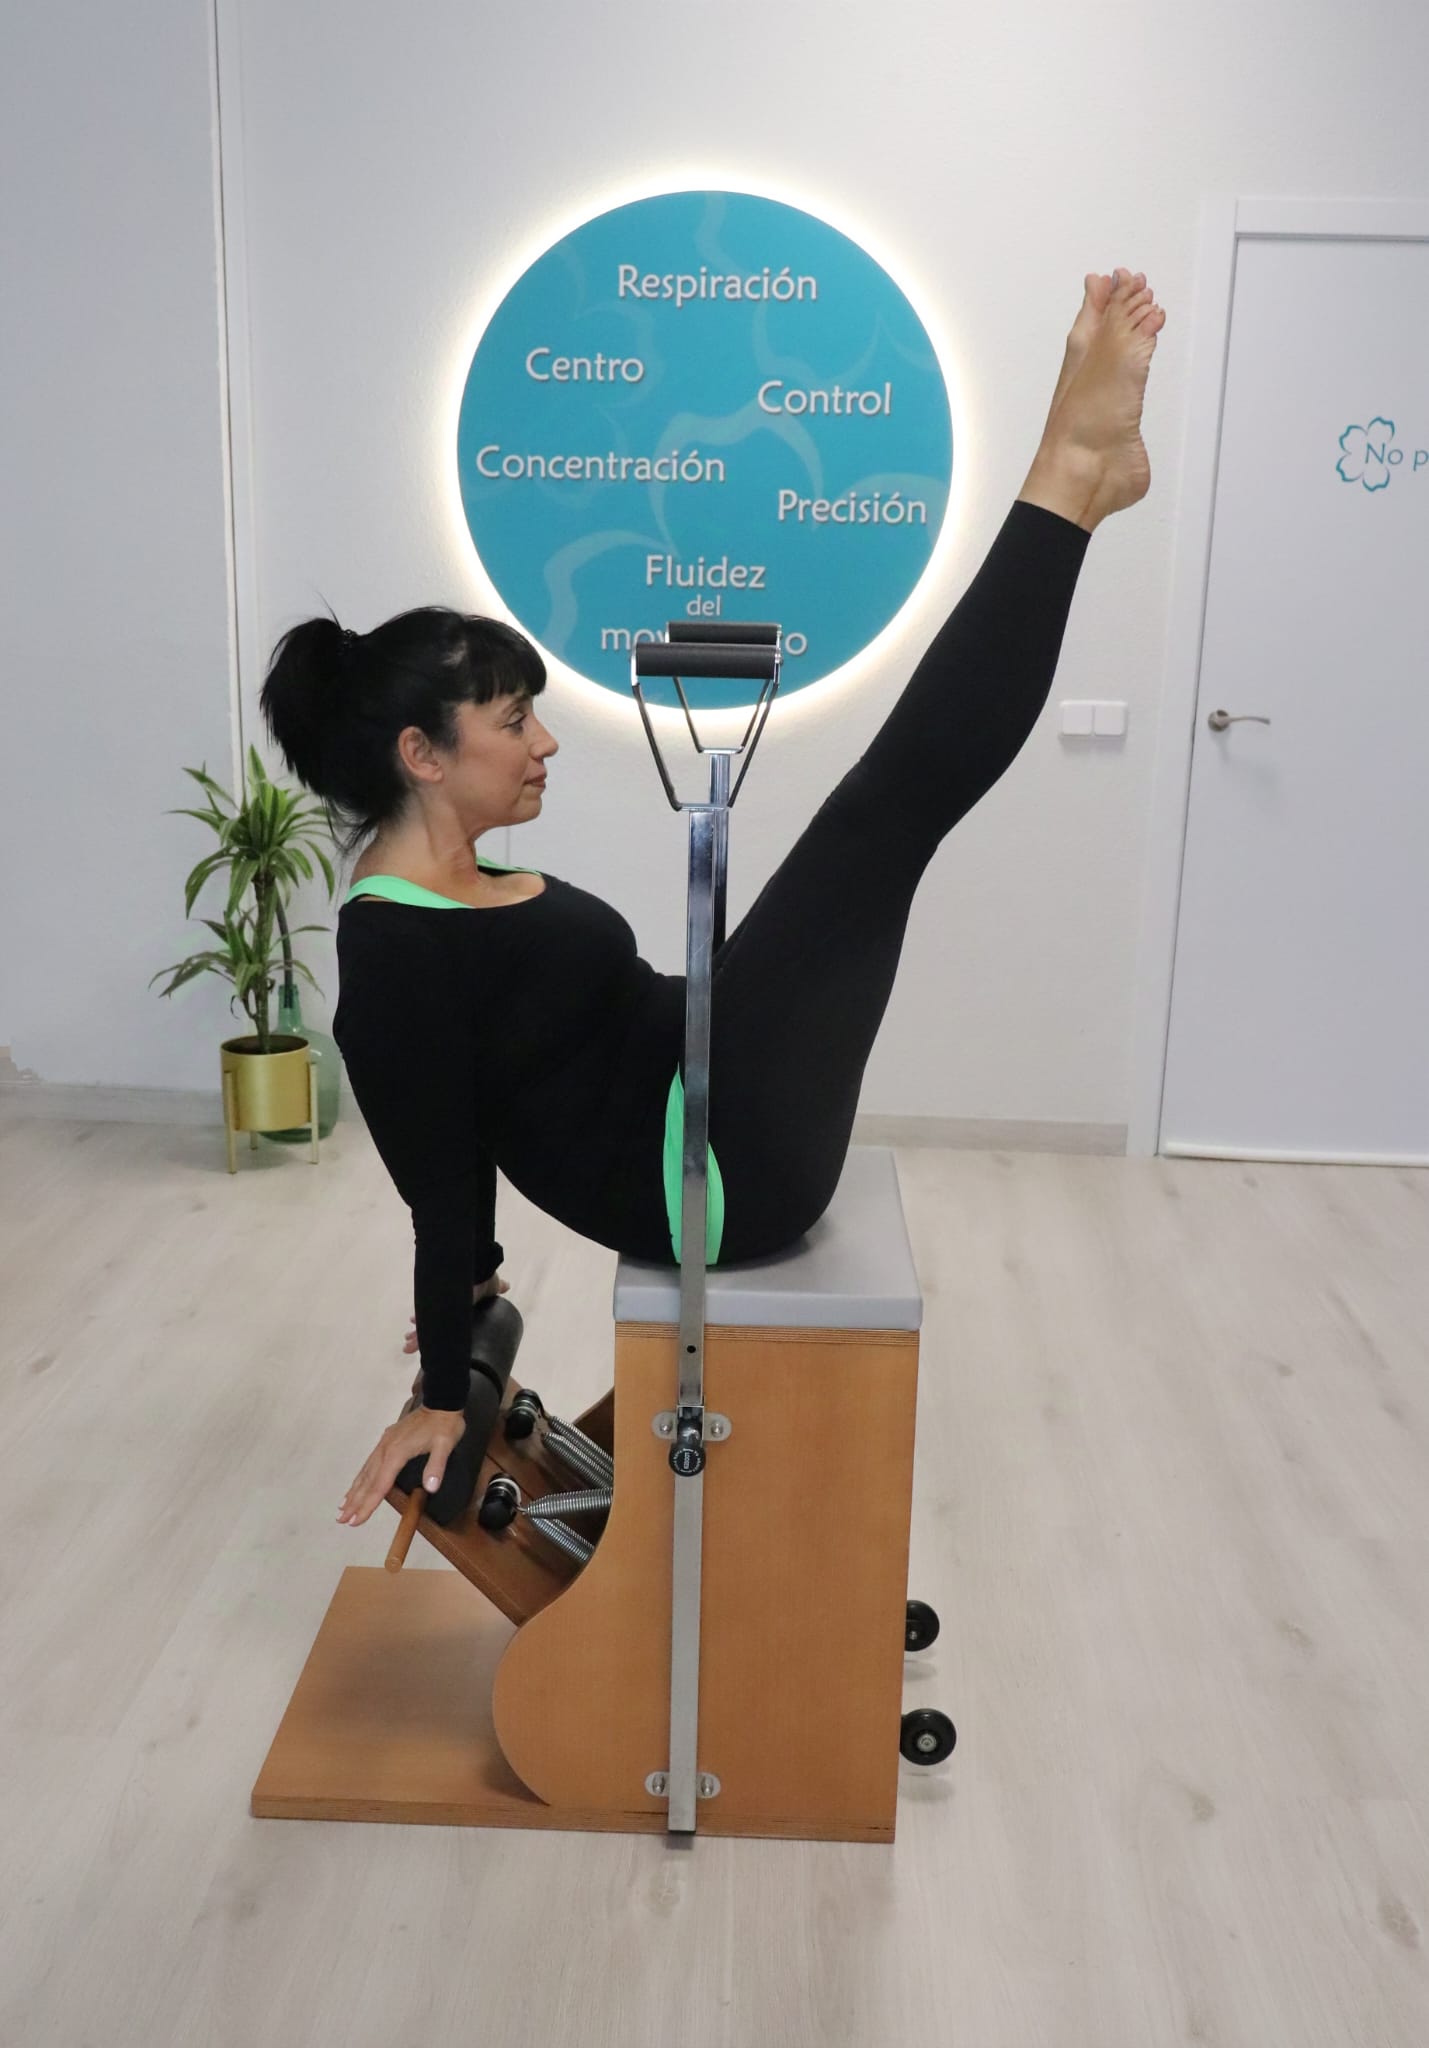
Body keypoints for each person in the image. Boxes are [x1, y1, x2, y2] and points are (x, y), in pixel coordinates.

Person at [260, 267, 1166, 1529]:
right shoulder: (396, 954)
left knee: (882, 818)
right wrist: (448, 1382)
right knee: (887, 810)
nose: (542, 742)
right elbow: (440, 1181)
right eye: (511, 722)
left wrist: (472, 1294)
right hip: (718, 1163)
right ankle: (1069, 473)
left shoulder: (448, 890)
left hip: (704, 1073)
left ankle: (1077, 477)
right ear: (421, 753)